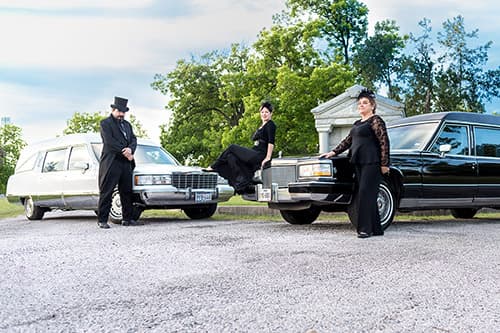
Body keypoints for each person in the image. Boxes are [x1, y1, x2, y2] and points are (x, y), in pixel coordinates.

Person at [319, 89, 390, 238]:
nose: (361, 105)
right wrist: (333, 152)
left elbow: (384, 142)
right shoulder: (357, 123)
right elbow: (348, 141)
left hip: (372, 162)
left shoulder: (376, 121)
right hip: (358, 162)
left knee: (365, 194)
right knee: (365, 194)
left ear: (372, 106)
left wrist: (385, 164)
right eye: (360, 103)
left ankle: (364, 229)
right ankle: (376, 229)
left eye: (365, 103)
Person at [203, 101, 276, 194]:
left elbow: (271, 142)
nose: (264, 114)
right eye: (262, 112)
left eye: (266, 112)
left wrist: (268, 157)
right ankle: (241, 183)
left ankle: (214, 166)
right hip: (254, 151)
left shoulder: (270, 124)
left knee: (232, 147)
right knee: (231, 156)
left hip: (259, 154)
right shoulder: (261, 126)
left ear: (271, 113)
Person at [97, 96, 141, 228]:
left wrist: (130, 149)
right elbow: (109, 142)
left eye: (123, 112)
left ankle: (127, 219)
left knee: (126, 191)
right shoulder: (105, 123)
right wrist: (125, 151)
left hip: (126, 164)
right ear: (113, 110)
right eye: (119, 111)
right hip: (111, 163)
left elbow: (133, 140)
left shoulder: (127, 125)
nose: (121, 114)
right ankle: (102, 220)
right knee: (107, 191)